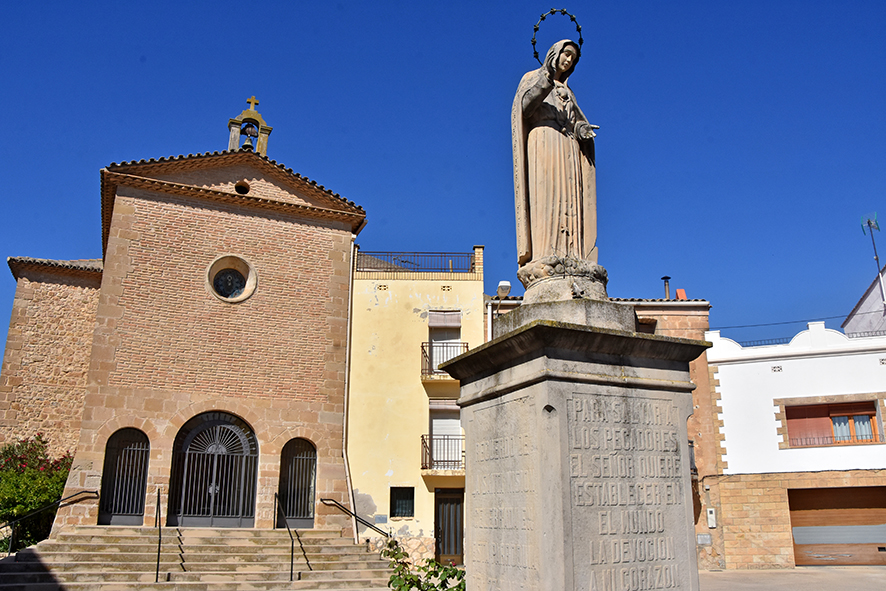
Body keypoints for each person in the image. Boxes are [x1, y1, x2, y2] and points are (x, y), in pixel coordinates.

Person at [512, 39, 598, 268]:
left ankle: (573, 255)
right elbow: (525, 107)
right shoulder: (533, 78)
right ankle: (544, 253)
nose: (568, 60)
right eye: (566, 54)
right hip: (544, 142)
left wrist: (582, 129)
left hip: (568, 146)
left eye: (573, 58)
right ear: (554, 53)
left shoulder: (569, 91)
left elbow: (575, 119)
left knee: (570, 199)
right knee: (547, 195)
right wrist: (546, 80)